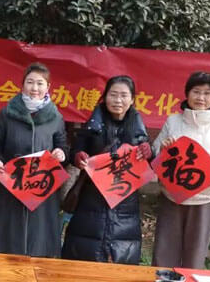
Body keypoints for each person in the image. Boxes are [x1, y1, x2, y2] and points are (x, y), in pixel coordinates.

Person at [151, 71, 210, 269]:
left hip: (206, 199)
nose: (201, 97)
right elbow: (155, 152)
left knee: (195, 253)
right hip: (172, 196)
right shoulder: (173, 121)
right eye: (196, 91)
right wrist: (163, 148)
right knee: (164, 249)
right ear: (187, 94)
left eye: (207, 93)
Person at [62, 75, 151, 264]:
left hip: (124, 202)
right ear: (105, 97)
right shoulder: (93, 124)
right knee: (84, 252)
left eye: (124, 95)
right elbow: (75, 150)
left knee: (120, 256)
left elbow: (150, 164)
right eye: (113, 94)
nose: (118, 100)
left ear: (132, 100)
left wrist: (149, 152)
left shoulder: (138, 129)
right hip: (91, 197)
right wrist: (78, 157)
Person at [0, 63, 67, 257]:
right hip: (10, 188)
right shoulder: (7, 114)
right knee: (7, 246)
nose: (34, 88)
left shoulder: (56, 117)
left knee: (39, 246)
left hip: (42, 190)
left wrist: (61, 154)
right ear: (22, 85)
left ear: (48, 87)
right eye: (30, 82)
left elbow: (63, 146)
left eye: (40, 83)